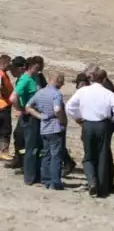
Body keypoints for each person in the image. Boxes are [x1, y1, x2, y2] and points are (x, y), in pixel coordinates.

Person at [66, 66, 114, 198]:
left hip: (88, 124)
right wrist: (113, 119)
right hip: (103, 125)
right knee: (103, 156)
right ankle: (103, 189)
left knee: (88, 156)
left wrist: (78, 118)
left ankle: (92, 181)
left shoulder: (83, 91)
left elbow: (69, 106)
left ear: (91, 78)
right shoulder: (107, 93)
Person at [25, 72, 67, 190]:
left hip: (44, 128)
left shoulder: (40, 92)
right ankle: (55, 182)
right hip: (55, 127)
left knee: (46, 154)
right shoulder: (56, 94)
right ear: (57, 80)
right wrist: (62, 120)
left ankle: (46, 180)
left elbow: (28, 106)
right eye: (62, 81)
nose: (63, 84)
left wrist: (40, 116)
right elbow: (57, 109)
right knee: (56, 155)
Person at [10, 56, 42, 185]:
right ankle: (29, 177)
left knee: (36, 147)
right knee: (30, 147)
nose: (40, 69)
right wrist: (21, 109)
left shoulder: (35, 77)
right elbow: (13, 98)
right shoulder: (25, 79)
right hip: (29, 117)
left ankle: (36, 174)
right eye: (38, 67)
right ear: (31, 66)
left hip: (36, 115)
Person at [5, 56, 26, 170]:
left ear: (21, 68)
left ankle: (21, 160)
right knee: (19, 136)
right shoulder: (20, 79)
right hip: (25, 112)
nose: (11, 71)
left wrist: (20, 109)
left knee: (21, 136)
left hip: (29, 112)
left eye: (13, 68)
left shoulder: (26, 79)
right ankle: (20, 159)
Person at [0, 55, 14, 160]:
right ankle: (3, 151)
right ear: (4, 63)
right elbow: (1, 88)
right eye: (9, 64)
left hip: (4, 104)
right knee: (5, 129)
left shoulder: (3, 74)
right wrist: (6, 94)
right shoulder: (1, 74)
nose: (10, 67)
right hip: (3, 105)